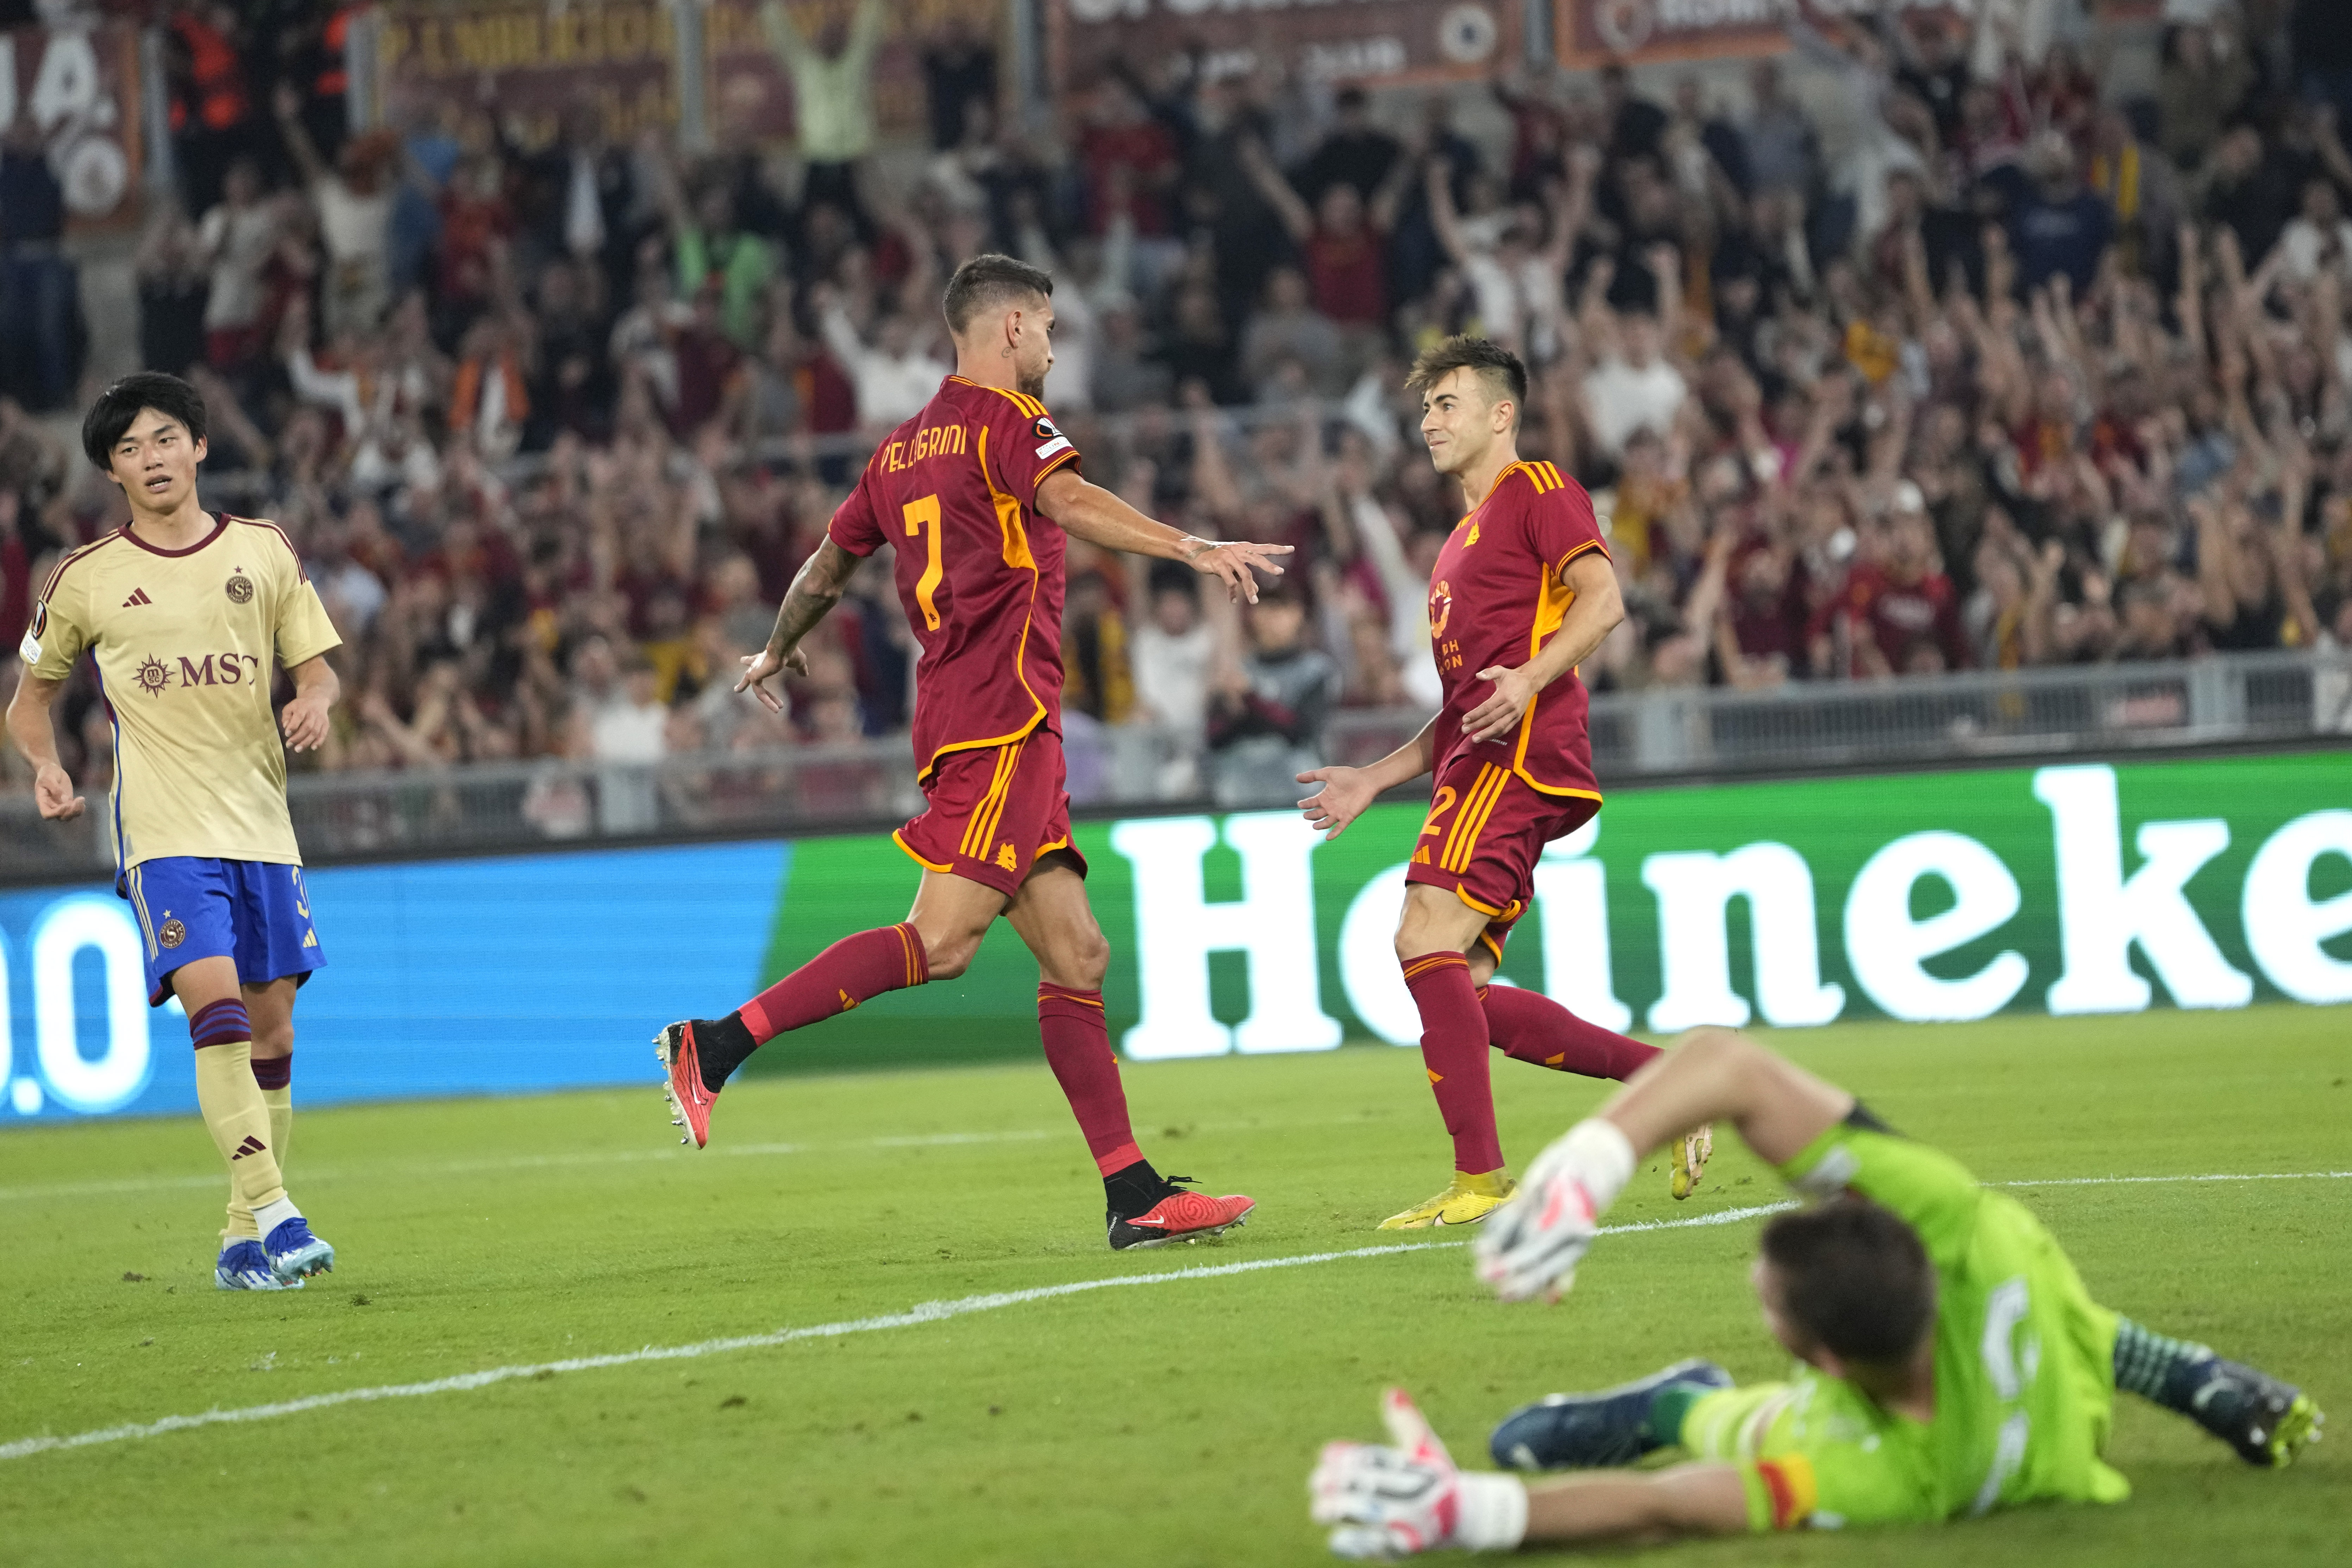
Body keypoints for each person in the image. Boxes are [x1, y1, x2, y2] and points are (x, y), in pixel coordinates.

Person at [655, 255, 1291, 1251]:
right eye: (1044, 327)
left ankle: (1133, 1192)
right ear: (1007, 330)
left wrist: (777, 646)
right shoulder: (1011, 424)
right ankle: (716, 1041)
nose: (1049, 345)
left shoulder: (899, 451)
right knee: (943, 943)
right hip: (998, 719)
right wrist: (1192, 547)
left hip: (980, 718)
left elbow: (826, 567)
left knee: (1078, 951)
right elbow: (1073, 503)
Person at [1307, 1027, 2324, 1556]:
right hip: (2045, 1395)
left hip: (1907, 1417)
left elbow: (1674, 1502)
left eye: (1767, 1304)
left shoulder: (1875, 1468)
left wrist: (1481, 1509)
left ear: (1820, 1361)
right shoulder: (1971, 1236)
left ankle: (1672, 1394)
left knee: (1703, 1425)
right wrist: (1594, 1158)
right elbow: (1734, 1070)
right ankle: (2195, 1377)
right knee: (2063, 1313)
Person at [1293, 338, 1701, 1232]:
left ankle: (1479, 1176)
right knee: (1459, 987)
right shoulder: (1454, 552)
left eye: (1447, 404)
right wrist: (1374, 776)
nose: (1430, 421)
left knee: (1419, 934)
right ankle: (1668, 1083)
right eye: (1427, 408)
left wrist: (1530, 678)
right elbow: (1457, 711)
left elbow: (1603, 601)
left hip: (1517, 758)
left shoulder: (1539, 490)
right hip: (1478, 759)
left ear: (1500, 415)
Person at [4, 372, 342, 1292]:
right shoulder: (86, 577)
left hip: (263, 826)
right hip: (164, 834)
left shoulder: (265, 550)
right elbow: (28, 704)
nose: (149, 458)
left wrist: (312, 698)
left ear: (198, 446)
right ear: (112, 472)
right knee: (217, 1012)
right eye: (128, 449)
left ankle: (240, 1238)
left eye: (163, 440)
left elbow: (317, 671)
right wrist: (44, 764)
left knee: (272, 1032)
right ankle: (276, 1208)